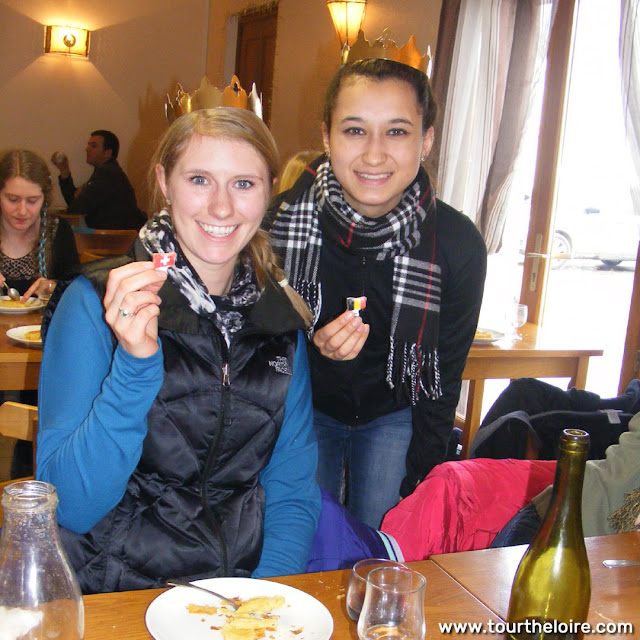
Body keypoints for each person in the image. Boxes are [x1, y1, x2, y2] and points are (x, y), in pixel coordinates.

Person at [36, 108, 321, 594]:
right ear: (164, 182)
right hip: (112, 594)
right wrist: (134, 367)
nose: (222, 207)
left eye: (244, 184)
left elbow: (292, 490)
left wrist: (265, 599)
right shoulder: (93, 303)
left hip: (237, 594)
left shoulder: (279, 321)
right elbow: (72, 506)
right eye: (199, 179)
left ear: (270, 190)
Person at [268, 58, 487, 528]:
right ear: (326, 136)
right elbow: (249, 350)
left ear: (426, 140)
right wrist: (313, 352)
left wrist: (421, 485)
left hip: (396, 414)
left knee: (380, 549)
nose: (373, 155)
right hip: (300, 410)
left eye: (397, 132)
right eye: (354, 130)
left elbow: (441, 381)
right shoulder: (275, 224)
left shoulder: (455, 242)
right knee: (303, 543)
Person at [0, 149, 78, 301]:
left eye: (32, 201)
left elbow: (76, 292)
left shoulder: (58, 231)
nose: (22, 211)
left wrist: (54, 288)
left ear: (45, 199)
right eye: (12, 199)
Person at [51, 130, 146, 230]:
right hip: (111, 237)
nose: (87, 149)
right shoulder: (105, 172)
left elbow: (76, 209)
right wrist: (64, 170)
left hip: (113, 240)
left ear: (107, 153)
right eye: (89, 145)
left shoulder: (108, 175)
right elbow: (74, 202)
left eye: (93, 146)